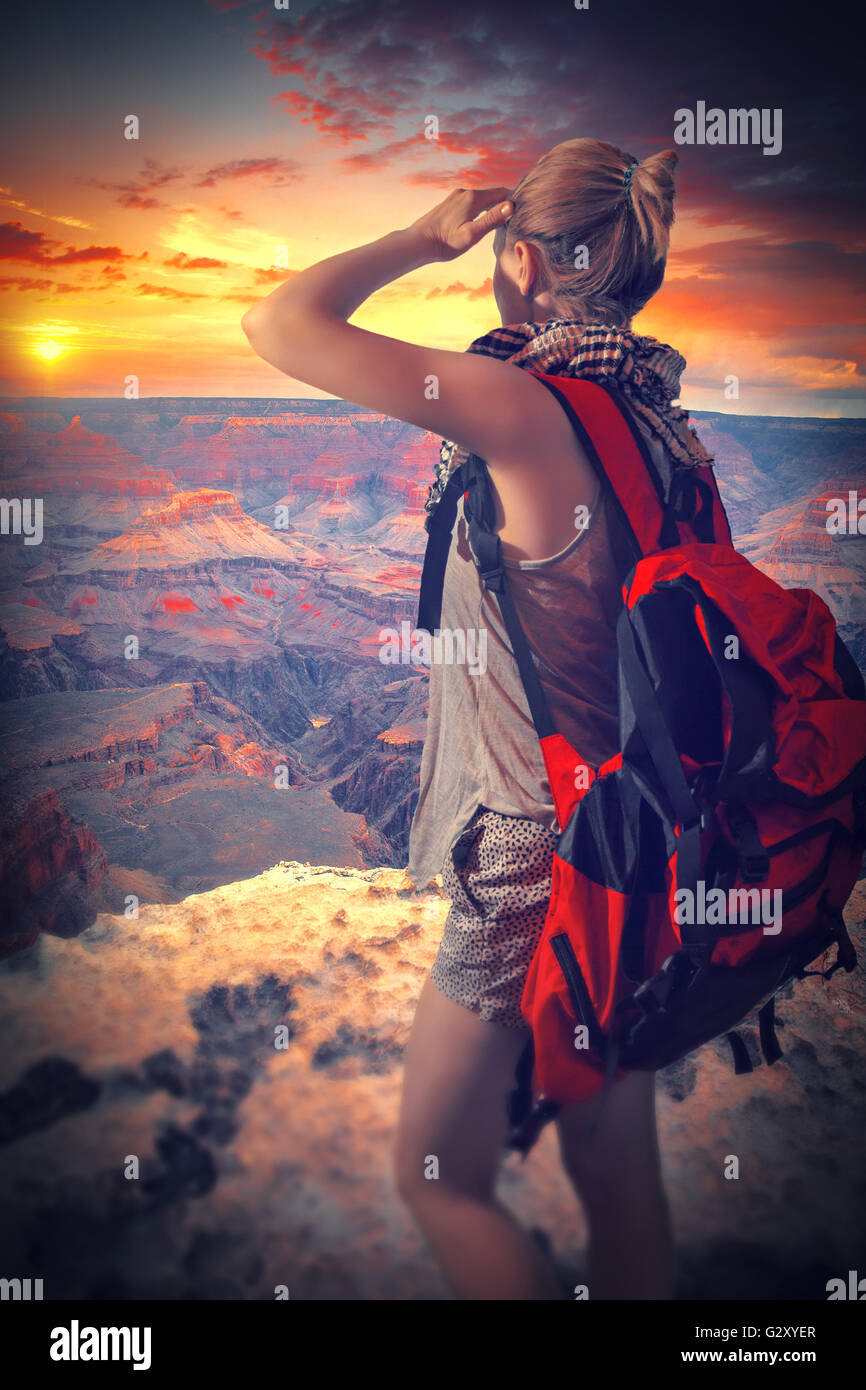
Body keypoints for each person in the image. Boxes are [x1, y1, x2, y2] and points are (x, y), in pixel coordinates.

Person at [241, 137, 711, 1300]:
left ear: (519, 260)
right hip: (630, 845)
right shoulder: (656, 420)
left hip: (528, 861)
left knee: (437, 1179)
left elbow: (281, 324)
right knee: (616, 1181)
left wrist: (415, 238)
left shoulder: (521, 406)